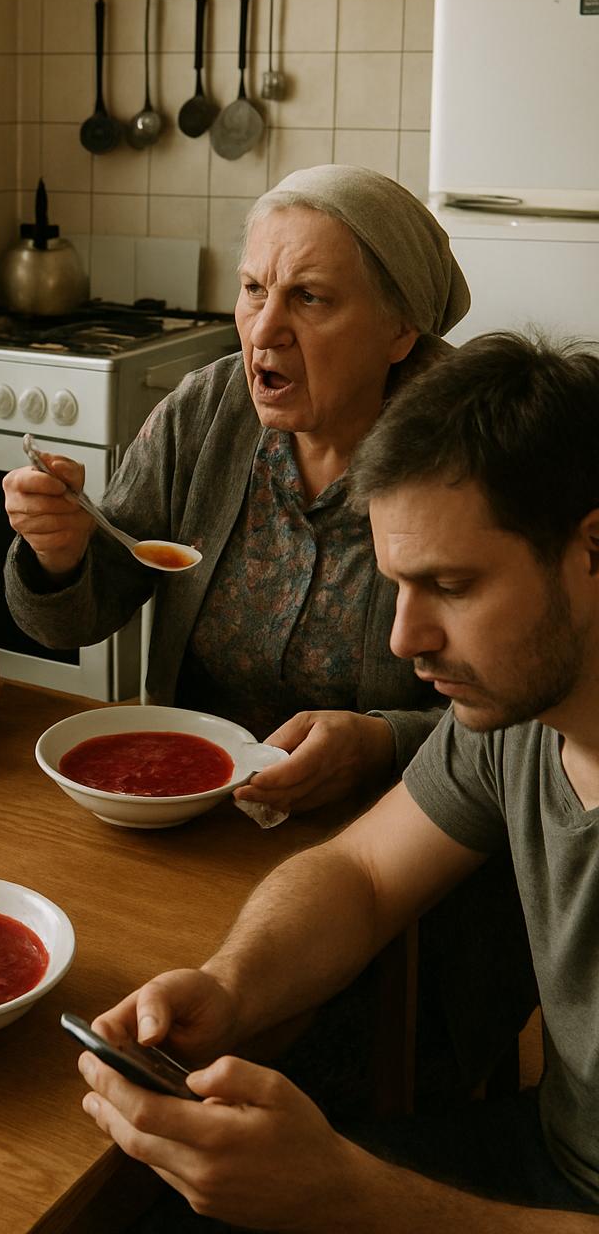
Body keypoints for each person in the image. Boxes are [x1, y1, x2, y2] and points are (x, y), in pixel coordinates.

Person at [79, 331, 599, 1230]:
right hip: (545, 1159)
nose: (406, 640)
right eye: (398, 584)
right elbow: (359, 876)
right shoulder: (515, 719)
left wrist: (351, 1197)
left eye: (452, 585)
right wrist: (232, 988)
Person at [4, 164, 469, 815]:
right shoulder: (205, 412)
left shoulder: (469, 452)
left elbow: (526, 716)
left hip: (387, 830)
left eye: (310, 298)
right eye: (254, 289)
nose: (263, 330)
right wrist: (59, 553)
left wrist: (386, 742)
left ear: (400, 330)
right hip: (185, 806)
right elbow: (78, 616)